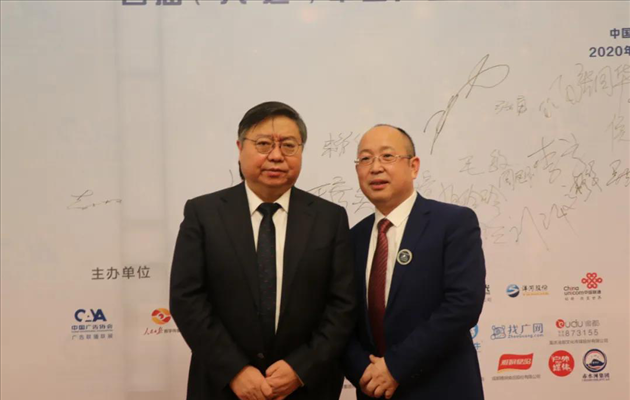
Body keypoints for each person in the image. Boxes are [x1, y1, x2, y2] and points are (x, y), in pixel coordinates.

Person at [170, 101, 356, 400]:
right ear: (240, 148)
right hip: (223, 386)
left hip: (306, 387)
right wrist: (234, 371)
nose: (276, 156)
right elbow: (187, 299)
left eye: (289, 145)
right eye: (264, 144)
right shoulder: (203, 213)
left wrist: (300, 368)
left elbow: (343, 305)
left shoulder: (329, 218)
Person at [343, 124, 486, 399]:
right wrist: (364, 371)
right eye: (365, 159)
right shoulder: (352, 238)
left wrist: (395, 368)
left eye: (387, 156)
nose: (375, 168)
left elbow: (463, 304)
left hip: (442, 388)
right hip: (375, 391)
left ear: (413, 166)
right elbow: (341, 318)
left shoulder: (453, 223)